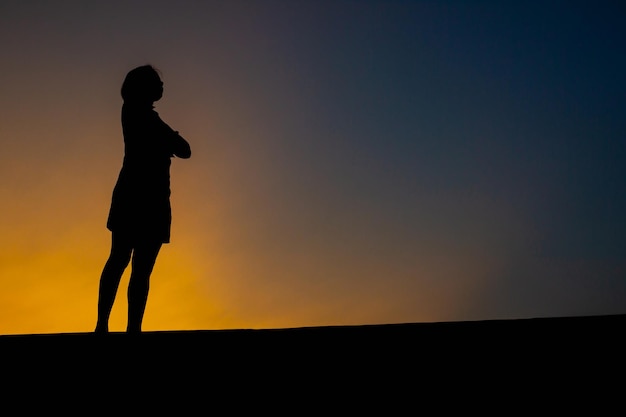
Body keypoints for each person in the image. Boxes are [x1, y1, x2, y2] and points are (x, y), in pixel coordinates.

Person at [95, 65, 191, 333]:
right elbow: (183, 148)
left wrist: (170, 140)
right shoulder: (139, 114)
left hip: (150, 198)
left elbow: (185, 150)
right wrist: (170, 140)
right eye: (157, 82)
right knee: (123, 261)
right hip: (141, 197)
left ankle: (124, 327)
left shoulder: (145, 117)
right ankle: (107, 324)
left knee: (132, 266)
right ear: (144, 86)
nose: (162, 86)